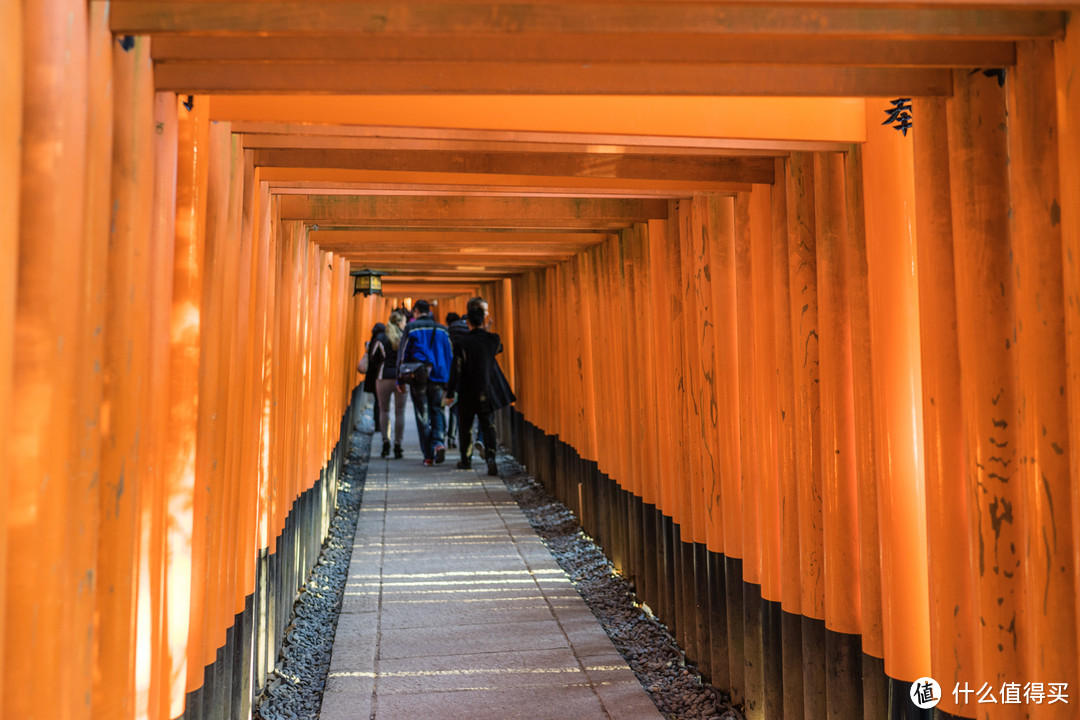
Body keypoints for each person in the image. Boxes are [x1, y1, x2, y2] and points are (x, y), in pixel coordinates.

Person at [445, 296, 502, 476]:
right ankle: (491, 457)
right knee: (488, 425)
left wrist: (450, 392)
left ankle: (466, 460)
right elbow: (498, 348)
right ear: (483, 320)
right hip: (487, 390)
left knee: (466, 427)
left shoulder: (462, 342)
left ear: (467, 321)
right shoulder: (493, 339)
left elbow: (456, 369)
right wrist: (487, 330)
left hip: (467, 390)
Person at [397, 299, 453, 466]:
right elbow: (448, 355)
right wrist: (449, 382)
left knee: (422, 414)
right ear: (429, 311)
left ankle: (428, 456)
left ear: (415, 311)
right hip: (438, 376)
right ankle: (438, 443)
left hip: (418, 377)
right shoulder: (443, 330)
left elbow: (403, 354)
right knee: (437, 410)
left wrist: (399, 379)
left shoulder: (411, 328)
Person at [369, 311, 408, 459]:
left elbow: (372, 356)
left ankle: (386, 444)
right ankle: (398, 446)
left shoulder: (381, 337)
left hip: (383, 376)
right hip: (400, 377)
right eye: (404, 322)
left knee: (383, 410)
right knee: (400, 412)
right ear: (399, 323)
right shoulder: (405, 337)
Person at [444, 311, 470, 449]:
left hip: (451, 370)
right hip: (468, 372)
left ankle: (451, 438)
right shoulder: (467, 331)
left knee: (454, 408)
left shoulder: (447, 332)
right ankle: (468, 440)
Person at [361, 322, 385, 433]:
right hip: (380, 375)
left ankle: (377, 424)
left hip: (373, 376)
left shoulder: (371, 343)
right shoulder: (381, 341)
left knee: (377, 401)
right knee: (381, 402)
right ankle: (380, 425)